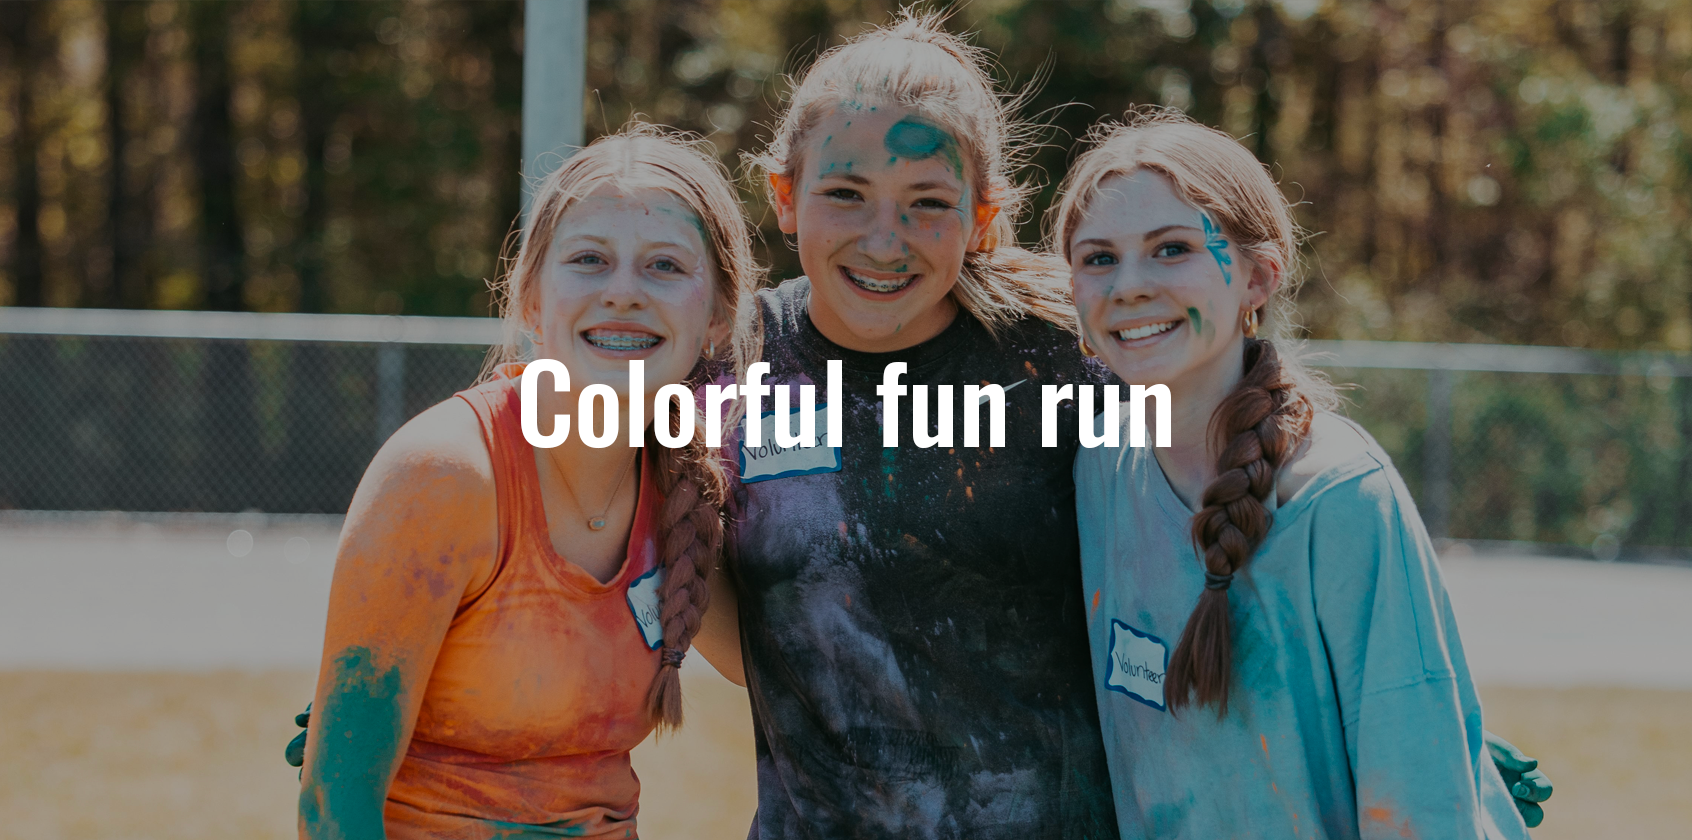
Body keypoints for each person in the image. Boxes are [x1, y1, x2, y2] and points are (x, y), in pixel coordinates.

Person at [1057, 110, 1544, 838]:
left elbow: (1420, 803)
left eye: (1172, 249)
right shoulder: (1099, 470)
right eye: (1098, 258)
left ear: (1258, 277)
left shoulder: (1340, 495)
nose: (1128, 285)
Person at [293, 124, 761, 839]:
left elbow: (794, 667)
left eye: (665, 266)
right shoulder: (445, 474)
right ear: (532, 300)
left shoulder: (685, 490)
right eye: (589, 260)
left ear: (720, 317)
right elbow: (333, 811)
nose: (623, 293)